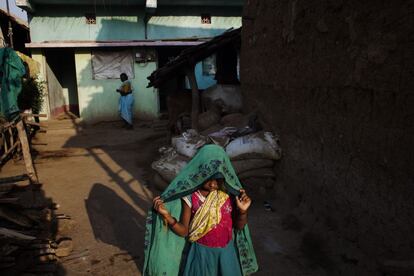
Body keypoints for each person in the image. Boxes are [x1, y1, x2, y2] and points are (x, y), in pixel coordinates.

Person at [143, 144, 258, 276]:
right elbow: (183, 231)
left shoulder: (228, 195)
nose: (213, 184)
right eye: (209, 177)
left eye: (218, 179)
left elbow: (239, 226)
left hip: (226, 253)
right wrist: (167, 216)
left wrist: (242, 212)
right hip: (201, 255)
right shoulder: (191, 197)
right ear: (200, 171)